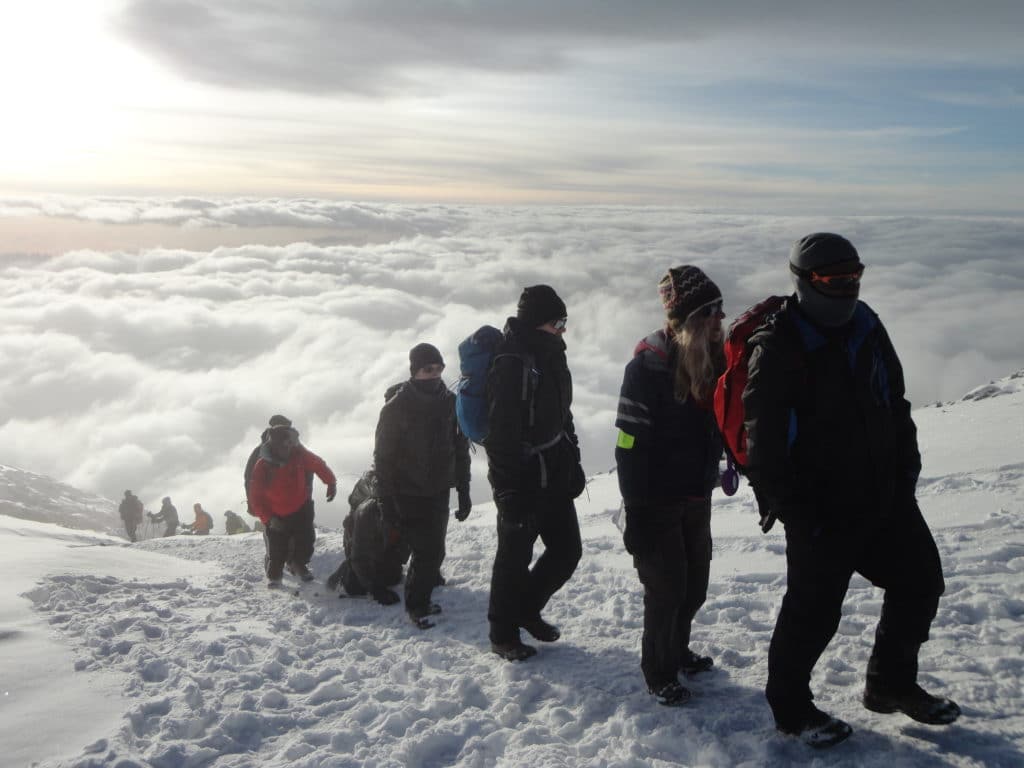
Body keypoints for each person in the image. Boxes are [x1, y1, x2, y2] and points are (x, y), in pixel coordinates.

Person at [743, 233, 959, 746]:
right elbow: (764, 449)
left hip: (884, 494)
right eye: (834, 279)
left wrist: (906, 470)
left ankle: (889, 684)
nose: (849, 287)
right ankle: (791, 707)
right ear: (804, 281)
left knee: (920, 581)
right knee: (813, 612)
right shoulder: (778, 349)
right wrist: (800, 511)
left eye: (855, 275)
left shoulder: (868, 325)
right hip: (821, 509)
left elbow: (896, 402)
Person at [615, 266, 725, 707]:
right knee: (666, 590)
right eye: (709, 313)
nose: (719, 320)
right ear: (686, 321)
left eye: (720, 310)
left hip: (697, 495)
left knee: (694, 586)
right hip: (655, 499)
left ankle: (677, 651)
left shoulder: (712, 362)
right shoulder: (646, 368)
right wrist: (635, 511)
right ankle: (659, 670)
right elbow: (627, 443)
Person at [485, 285, 585, 661]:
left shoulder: (552, 354)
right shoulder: (512, 363)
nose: (563, 329)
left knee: (567, 550)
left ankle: (526, 609)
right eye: (557, 322)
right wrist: (507, 491)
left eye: (564, 322)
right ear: (536, 322)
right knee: (513, 556)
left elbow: (564, 413)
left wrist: (572, 460)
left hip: (555, 469)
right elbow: (500, 434)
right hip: (523, 476)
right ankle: (502, 633)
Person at [374, 343, 472, 628]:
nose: (435, 373)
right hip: (406, 491)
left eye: (439, 368)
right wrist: (385, 500)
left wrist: (463, 489)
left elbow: (460, 448)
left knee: (433, 551)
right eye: (428, 369)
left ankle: (418, 598)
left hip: (438, 490)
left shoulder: (451, 402)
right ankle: (415, 605)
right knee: (417, 550)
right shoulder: (396, 408)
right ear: (415, 371)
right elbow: (383, 458)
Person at [248, 423, 337, 587]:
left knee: (306, 540)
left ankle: (298, 564)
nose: (286, 450)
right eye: (283, 446)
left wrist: (331, 482)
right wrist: (268, 518)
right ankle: (275, 575)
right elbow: (256, 497)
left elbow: (317, 464)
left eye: (288, 445)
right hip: (275, 514)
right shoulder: (262, 466)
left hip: (300, 507)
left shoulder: (299, 454)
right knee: (277, 547)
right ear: (273, 446)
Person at [326, 469, 411, 604]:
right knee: (355, 586)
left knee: (393, 577)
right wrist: (377, 590)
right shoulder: (368, 512)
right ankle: (347, 567)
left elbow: (420, 539)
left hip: (384, 542)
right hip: (360, 543)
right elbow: (360, 557)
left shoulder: (410, 506)